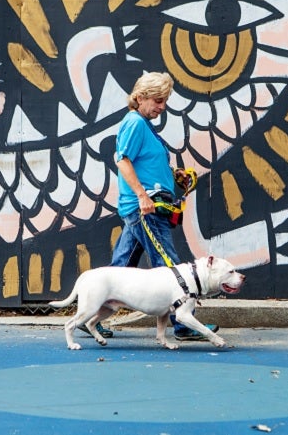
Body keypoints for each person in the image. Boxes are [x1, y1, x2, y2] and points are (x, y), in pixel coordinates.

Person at [79, 71, 217, 341]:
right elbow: (123, 161)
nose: (162, 107)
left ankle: (90, 316)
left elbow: (144, 162)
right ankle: (183, 324)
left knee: (121, 269)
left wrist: (173, 174)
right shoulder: (135, 123)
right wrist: (143, 196)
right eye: (158, 100)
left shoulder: (143, 124)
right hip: (146, 208)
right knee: (171, 267)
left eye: (164, 100)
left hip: (144, 207)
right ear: (140, 97)